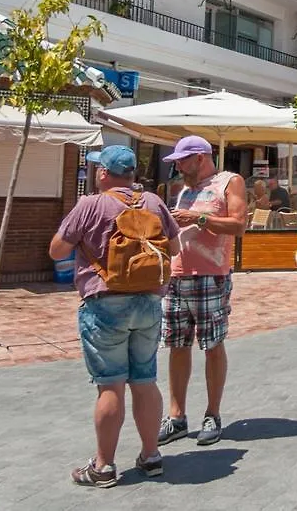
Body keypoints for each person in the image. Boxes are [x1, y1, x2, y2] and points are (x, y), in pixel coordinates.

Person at [47, 145, 182, 487]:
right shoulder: (154, 202)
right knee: (145, 380)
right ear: (133, 173)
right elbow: (176, 249)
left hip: (105, 303)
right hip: (149, 303)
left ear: (104, 173)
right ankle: (151, 456)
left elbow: (56, 250)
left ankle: (104, 467)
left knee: (110, 386)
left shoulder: (90, 204)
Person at [157, 136, 247, 448]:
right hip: (176, 276)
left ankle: (212, 414)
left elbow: (238, 224)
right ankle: (177, 417)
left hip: (211, 276)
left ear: (200, 157)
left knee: (212, 344)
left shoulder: (229, 182)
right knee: (177, 345)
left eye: (182, 160)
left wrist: (199, 218)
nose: (178, 166)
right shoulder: (183, 190)